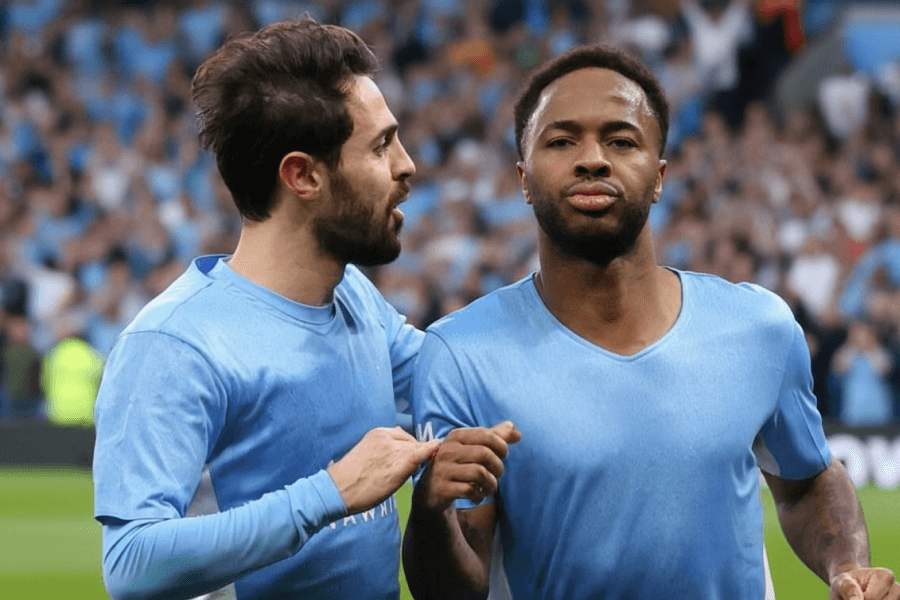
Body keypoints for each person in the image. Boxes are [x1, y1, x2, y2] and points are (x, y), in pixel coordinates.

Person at [403, 45, 900, 600]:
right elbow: (451, 586)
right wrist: (429, 514)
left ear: (659, 176)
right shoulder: (460, 354)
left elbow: (807, 484)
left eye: (620, 140)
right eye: (562, 140)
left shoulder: (758, 327)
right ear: (523, 178)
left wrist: (847, 567)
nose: (592, 158)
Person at [92, 18, 441, 600]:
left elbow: (449, 375)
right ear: (302, 175)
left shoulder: (354, 297)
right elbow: (132, 564)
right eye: (381, 145)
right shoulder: (175, 343)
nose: (407, 166)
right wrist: (328, 493)